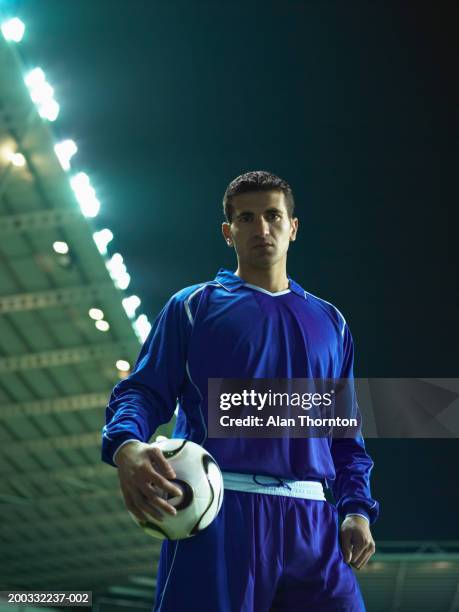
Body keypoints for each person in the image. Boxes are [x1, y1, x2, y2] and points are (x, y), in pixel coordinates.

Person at [101, 170, 379, 611]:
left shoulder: (332, 323)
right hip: (217, 514)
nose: (262, 228)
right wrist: (126, 445)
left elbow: (345, 434)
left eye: (273, 215)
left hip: (313, 522)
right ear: (228, 233)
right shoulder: (193, 307)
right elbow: (143, 391)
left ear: (293, 227)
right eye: (246, 219)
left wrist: (356, 509)